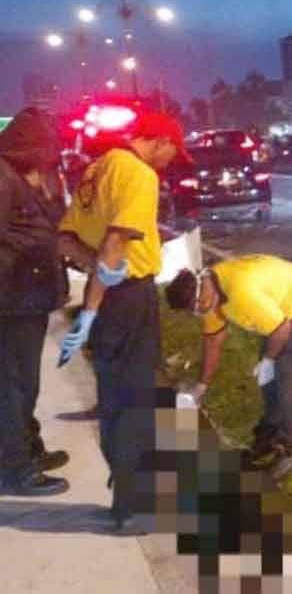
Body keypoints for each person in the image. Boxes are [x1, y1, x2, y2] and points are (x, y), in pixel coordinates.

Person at [57, 111, 192, 531]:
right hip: (129, 296)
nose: (170, 161)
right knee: (137, 397)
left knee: (113, 394)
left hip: (108, 294)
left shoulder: (97, 168)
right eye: (173, 152)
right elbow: (116, 241)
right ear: (160, 141)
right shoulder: (138, 174)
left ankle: (124, 488)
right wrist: (94, 303)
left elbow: (65, 238)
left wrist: (96, 283)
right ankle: (133, 505)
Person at [165, 254, 292, 480]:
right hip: (282, 308)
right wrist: (201, 387)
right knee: (268, 379)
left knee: (291, 378)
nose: (197, 313)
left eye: (196, 307)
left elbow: (282, 330)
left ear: (200, 293)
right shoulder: (209, 291)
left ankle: (291, 448)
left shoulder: (240, 296)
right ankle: (270, 431)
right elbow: (213, 341)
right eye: (192, 311)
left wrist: (269, 360)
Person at [0, 108, 71, 496]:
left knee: (24, 383)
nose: (51, 156)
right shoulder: (2, 179)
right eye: (46, 148)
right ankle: (14, 468)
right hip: (11, 301)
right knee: (14, 386)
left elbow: (53, 223)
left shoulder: (24, 180)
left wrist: (48, 187)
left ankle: (27, 448)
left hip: (28, 299)